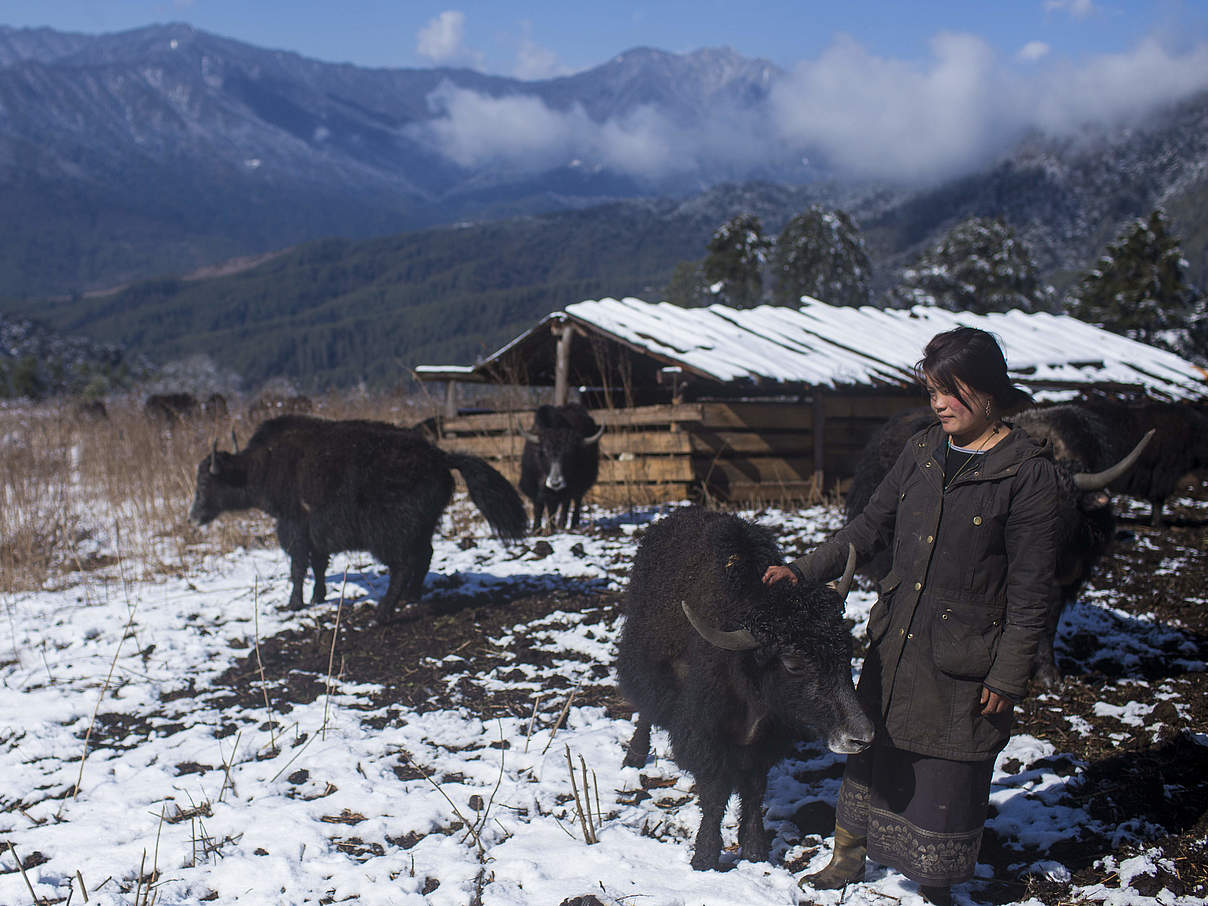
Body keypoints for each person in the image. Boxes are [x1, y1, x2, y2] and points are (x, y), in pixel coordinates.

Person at [764, 326, 1058, 906]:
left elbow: (1032, 591)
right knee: (871, 749)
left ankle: (936, 883)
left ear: (991, 392)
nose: (940, 404)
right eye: (932, 392)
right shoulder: (923, 449)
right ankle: (847, 857)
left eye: (953, 392)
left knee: (947, 767)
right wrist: (803, 570)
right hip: (896, 635)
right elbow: (866, 530)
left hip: (966, 654)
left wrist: (1007, 676)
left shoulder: (1028, 473)